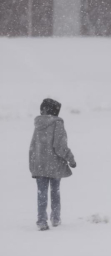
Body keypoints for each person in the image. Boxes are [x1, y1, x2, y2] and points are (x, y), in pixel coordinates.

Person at [29, 98, 76, 231]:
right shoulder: (57, 123)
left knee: (41, 193)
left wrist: (32, 166)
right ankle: (55, 218)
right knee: (55, 191)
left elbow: (32, 147)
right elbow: (60, 146)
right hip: (54, 165)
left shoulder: (38, 124)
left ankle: (42, 221)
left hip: (39, 165)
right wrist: (71, 160)